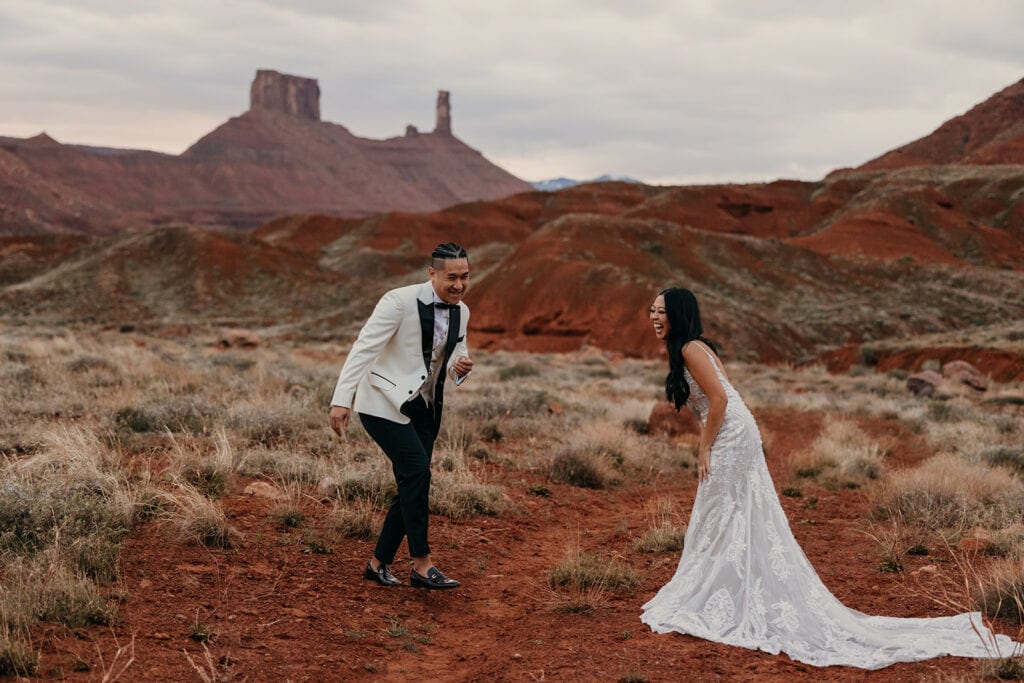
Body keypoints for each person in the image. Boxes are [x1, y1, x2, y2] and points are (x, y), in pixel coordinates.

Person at [640, 287, 1020, 668]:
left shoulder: (690, 347)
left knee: (724, 508)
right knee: (725, 508)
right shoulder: (691, 347)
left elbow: (720, 399)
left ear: (678, 313)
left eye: (661, 311)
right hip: (733, 431)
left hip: (730, 434)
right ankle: (722, 588)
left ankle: (719, 593)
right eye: (652, 311)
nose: (654, 317)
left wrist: (705, 448)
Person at [329, 242, 474, 590]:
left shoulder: (462, 311)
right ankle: (422, 564)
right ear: (432, 274)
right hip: (382, 402)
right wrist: (341, 399)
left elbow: (456, 360)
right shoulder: (398, 301)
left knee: (413, 481)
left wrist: (462, 369)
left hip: (424, 409)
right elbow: (363, 349)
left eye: (465, 277)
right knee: (416, 472)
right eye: (451, 277)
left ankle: (377, 563)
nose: (458, 285)